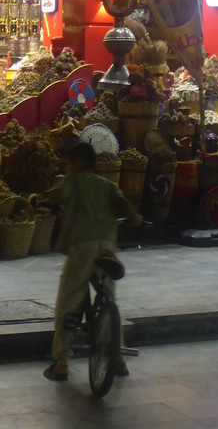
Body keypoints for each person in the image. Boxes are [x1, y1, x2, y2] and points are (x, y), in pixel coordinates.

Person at [41, 141, 142, 382]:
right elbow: (125, 207)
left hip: (81, 247)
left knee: (68, 300)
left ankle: (61, 363)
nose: (66, 167)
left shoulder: (73, 181)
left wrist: (41, 198)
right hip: (106, 246)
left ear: (77, 162)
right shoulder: (107, 185)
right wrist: (135, 219)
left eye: (67, 163)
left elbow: (54, 196)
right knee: (109, 298)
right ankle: (118, 360)